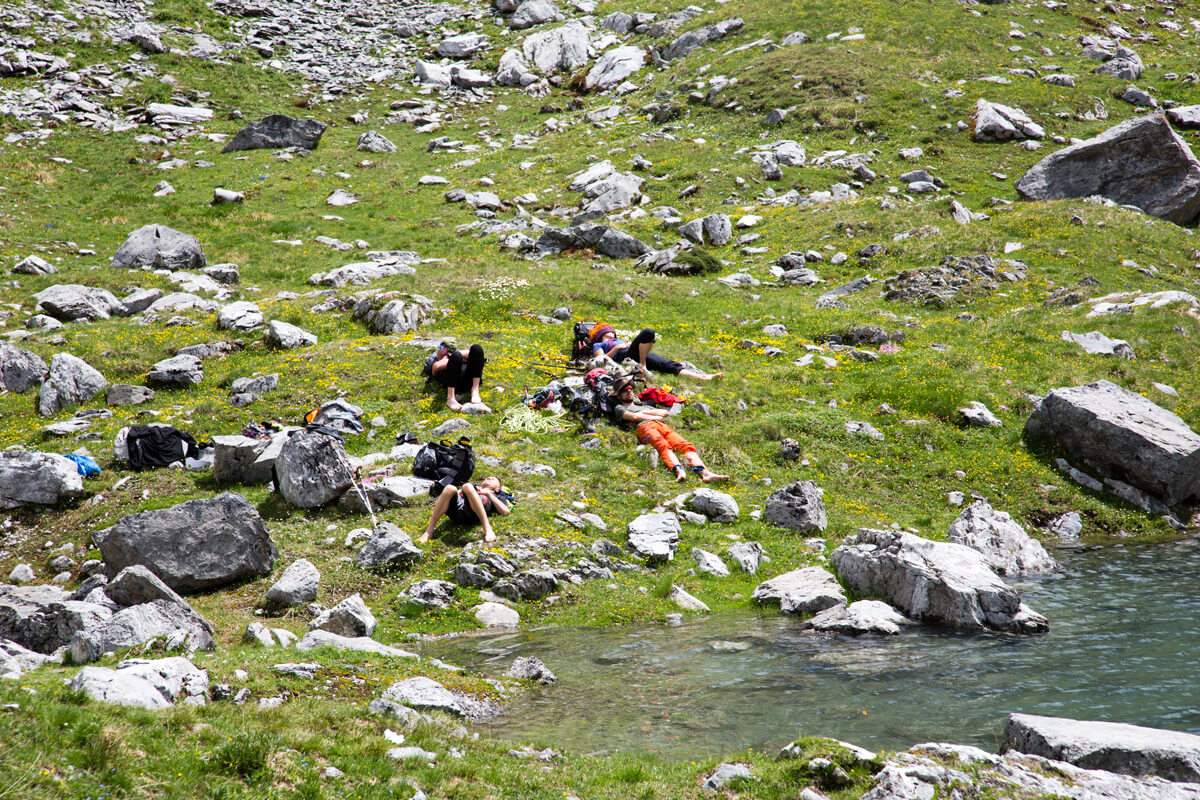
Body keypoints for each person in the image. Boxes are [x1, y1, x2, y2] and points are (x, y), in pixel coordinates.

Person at [611, 375, 728, 483]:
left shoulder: (643, 405)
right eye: (624, 390)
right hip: (644, 426)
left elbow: (664, 412)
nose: (629, 390)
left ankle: (705, 473)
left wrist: (644, 412)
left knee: (684, 445)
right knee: (661, 444)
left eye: (630, 387)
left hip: (662, 425)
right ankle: (678, 470)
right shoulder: (619, 408)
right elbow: (635, 417)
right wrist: (653, 415)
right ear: (618, 395)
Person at [589, 324, 721, 381]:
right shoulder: (599, 344)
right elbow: (601, 360)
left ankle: (703, 377)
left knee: (667, 365)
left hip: (637, 353)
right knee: (648, 332)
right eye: (609, 332)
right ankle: (643, 367)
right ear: (602, 334)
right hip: (625, 356)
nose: (612, 333)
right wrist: (617, 348)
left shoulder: (619, 339)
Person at [417, 475, 510, 544]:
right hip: (457, 512)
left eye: (492, 479)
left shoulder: (497, 495)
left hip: (473, 515)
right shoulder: (473, 488)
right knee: (450, 488)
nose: (489, 478)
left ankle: (487, 528)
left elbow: (505, 511)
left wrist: (488, 494)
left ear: (497, 488)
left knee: (467, 486)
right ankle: (428, 532)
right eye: (487, 478)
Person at [426, 341, 489, 411]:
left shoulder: (457, 355)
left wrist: (453, 355)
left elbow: (477, 354)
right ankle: (450, 398)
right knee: (456, 357)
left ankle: (475, 390)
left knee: (477, 348)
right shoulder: (434, 359)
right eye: (440, 347)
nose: (440, 350)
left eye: (441, 347)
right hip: (451, 382)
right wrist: (450, 359)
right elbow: (436, 367)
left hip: (468, 380)